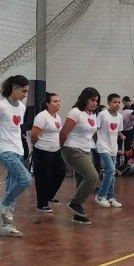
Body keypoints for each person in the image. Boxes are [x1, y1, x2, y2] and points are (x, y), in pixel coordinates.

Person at [0, 75, 32, 237]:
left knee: (11, 185)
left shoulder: (21, 106)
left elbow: (15, 130)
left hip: (18, 150)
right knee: (25, 179)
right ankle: (4, 203)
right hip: (5, 150)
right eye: (23, 91)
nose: (25, 94)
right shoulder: (0, 106)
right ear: (14, 88)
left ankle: (6, 225)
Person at [60, 87, 100, 225]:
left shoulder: (92, 115)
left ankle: (78, 215)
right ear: (85, 99)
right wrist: (62, 150)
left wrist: (96, 145)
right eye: (92, 100)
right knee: (93, 177)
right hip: (72, 148)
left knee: (82, 179)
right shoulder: (75, 112)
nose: (95, 103)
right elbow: (63, 133)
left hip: (86, 150)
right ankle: (75, 203)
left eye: (97, 101)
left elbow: (92, 133)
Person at [30, 92, 66, 213]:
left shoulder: (58, 117)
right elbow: (34, 134)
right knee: (43, 178)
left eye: (59, 101)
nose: (58, 103)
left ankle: (49, 195)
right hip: (42, 151)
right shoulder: (42, 116)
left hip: (56, 150)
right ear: (47, 103)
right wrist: (37, 146)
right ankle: (41, 204)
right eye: (55, 101)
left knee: (61, 172)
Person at [95, 93, 123, 209]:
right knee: (110, 169)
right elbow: (95, 129)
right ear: (108, 103)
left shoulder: (120, 117)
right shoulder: (102, 115)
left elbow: (118, 131)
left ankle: (111, 197)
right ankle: (101, 195)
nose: (117, 104)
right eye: (114, 102)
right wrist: (97, 144)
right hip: (103, 146)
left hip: (113, 147)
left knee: (111, 173)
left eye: (118, 102)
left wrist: (121, 136)